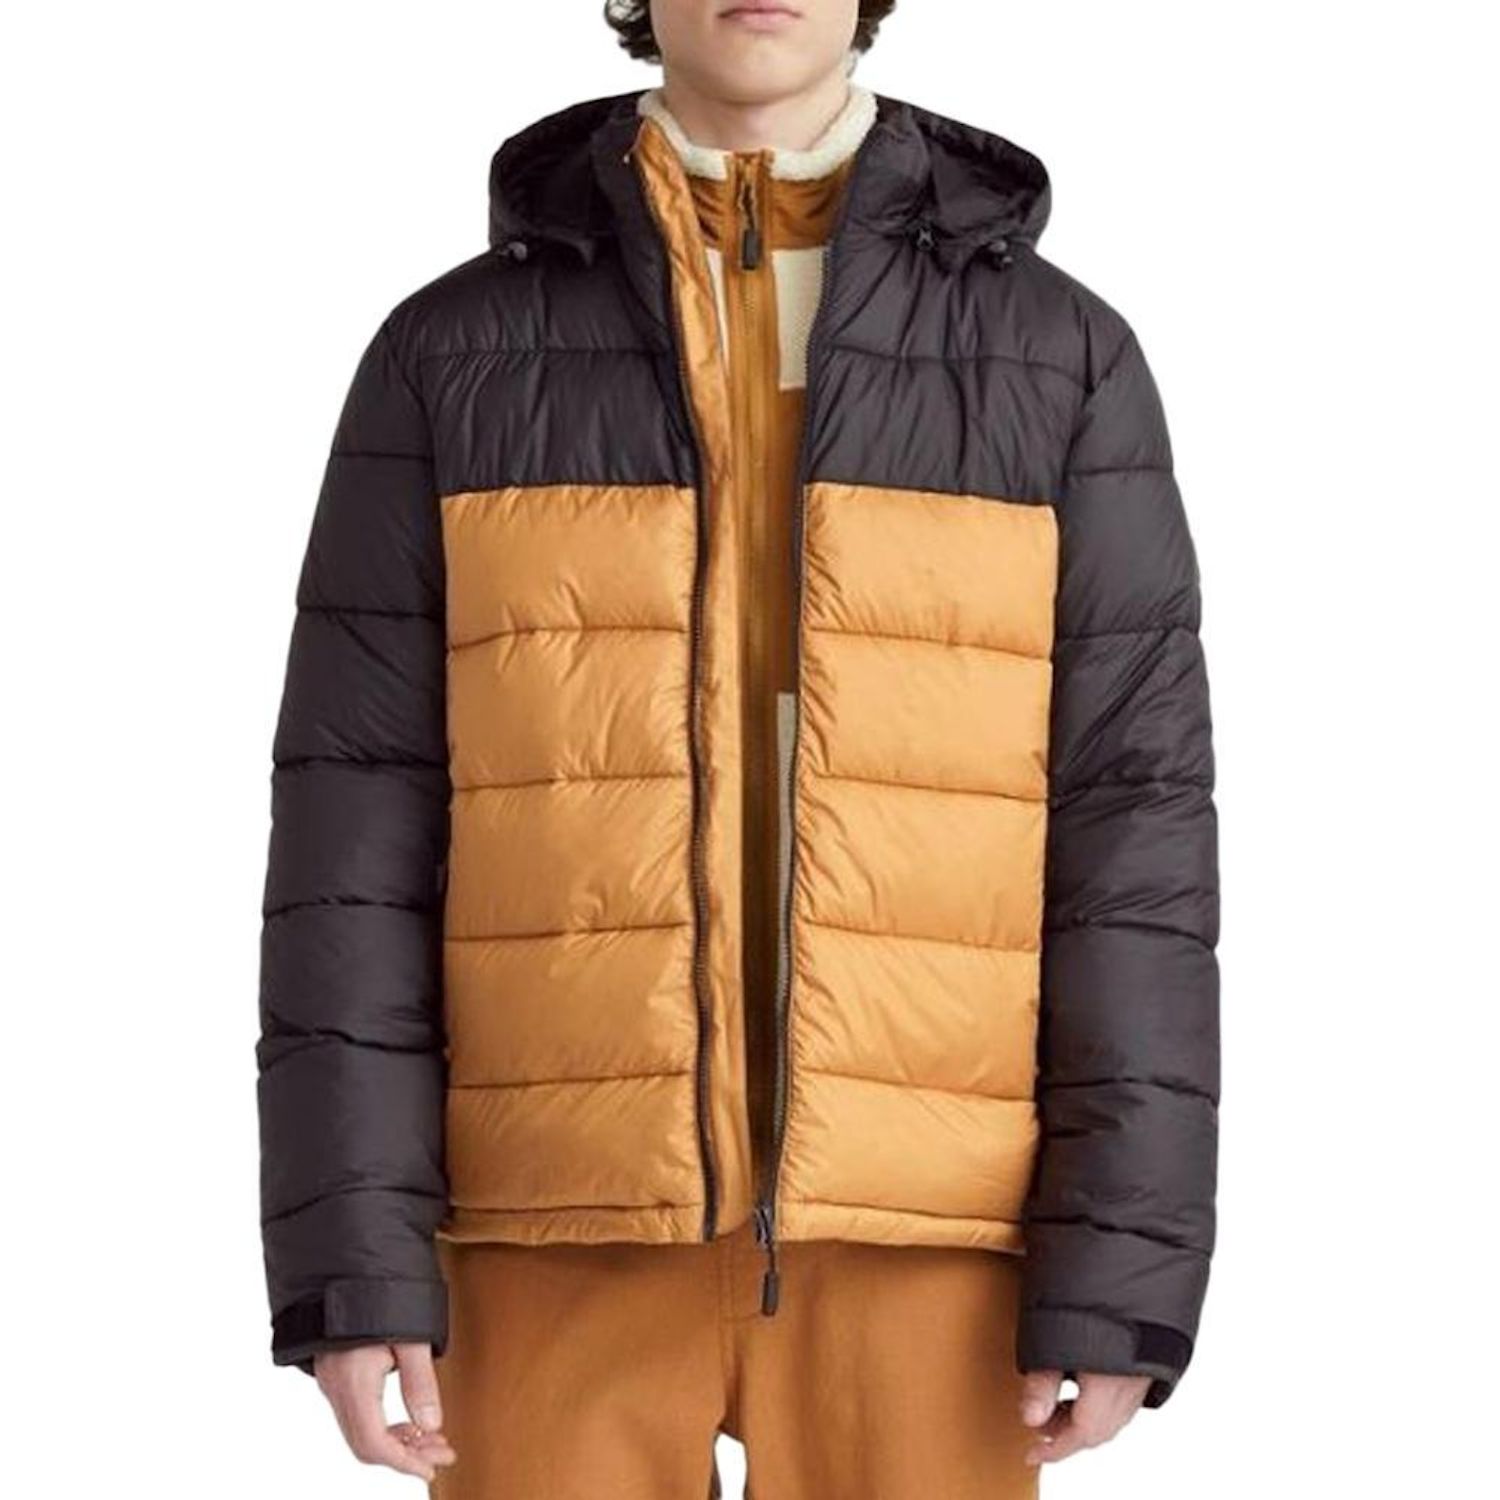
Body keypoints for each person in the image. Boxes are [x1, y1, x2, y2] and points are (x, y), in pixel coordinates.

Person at [254, 1, 1220, 1494]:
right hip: (545, 1220)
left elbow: (1133, 834)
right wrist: (351, 1253)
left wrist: (1122, 1263)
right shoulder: (451, 354)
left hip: (934, 1233)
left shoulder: (1056, 357)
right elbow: (351, 837)